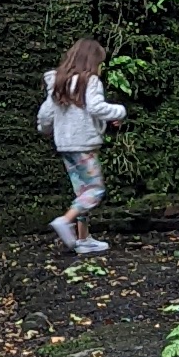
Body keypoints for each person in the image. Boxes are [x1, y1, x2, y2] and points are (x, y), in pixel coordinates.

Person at [37, 38, 125, 254]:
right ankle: (65, 221)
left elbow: (46, 113)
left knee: (82, 192)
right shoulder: (90, 81)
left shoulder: (60, 81)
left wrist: (45, 128)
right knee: (94, 190)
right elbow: (95, 108)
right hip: (84, 144)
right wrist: (120, 111)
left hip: (66, 146)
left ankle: (83, 239)